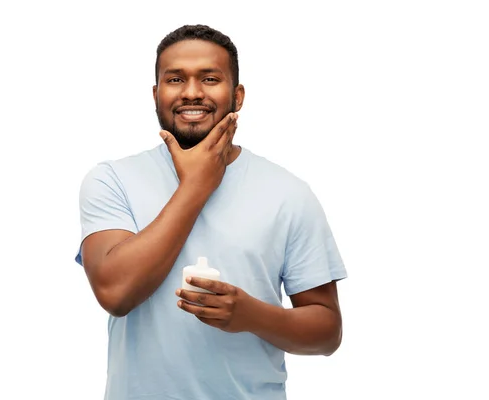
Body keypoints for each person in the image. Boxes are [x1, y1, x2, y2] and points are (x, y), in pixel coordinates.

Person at [75, 24, 347, 400]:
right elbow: (116, 292)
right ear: (156, 94)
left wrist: (250, 315)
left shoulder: (288, 193)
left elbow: (327, 332)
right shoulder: (112, 180)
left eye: (209, 78)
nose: (191, 92)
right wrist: (196, 186)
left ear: (237, 96)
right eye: (175, 79)